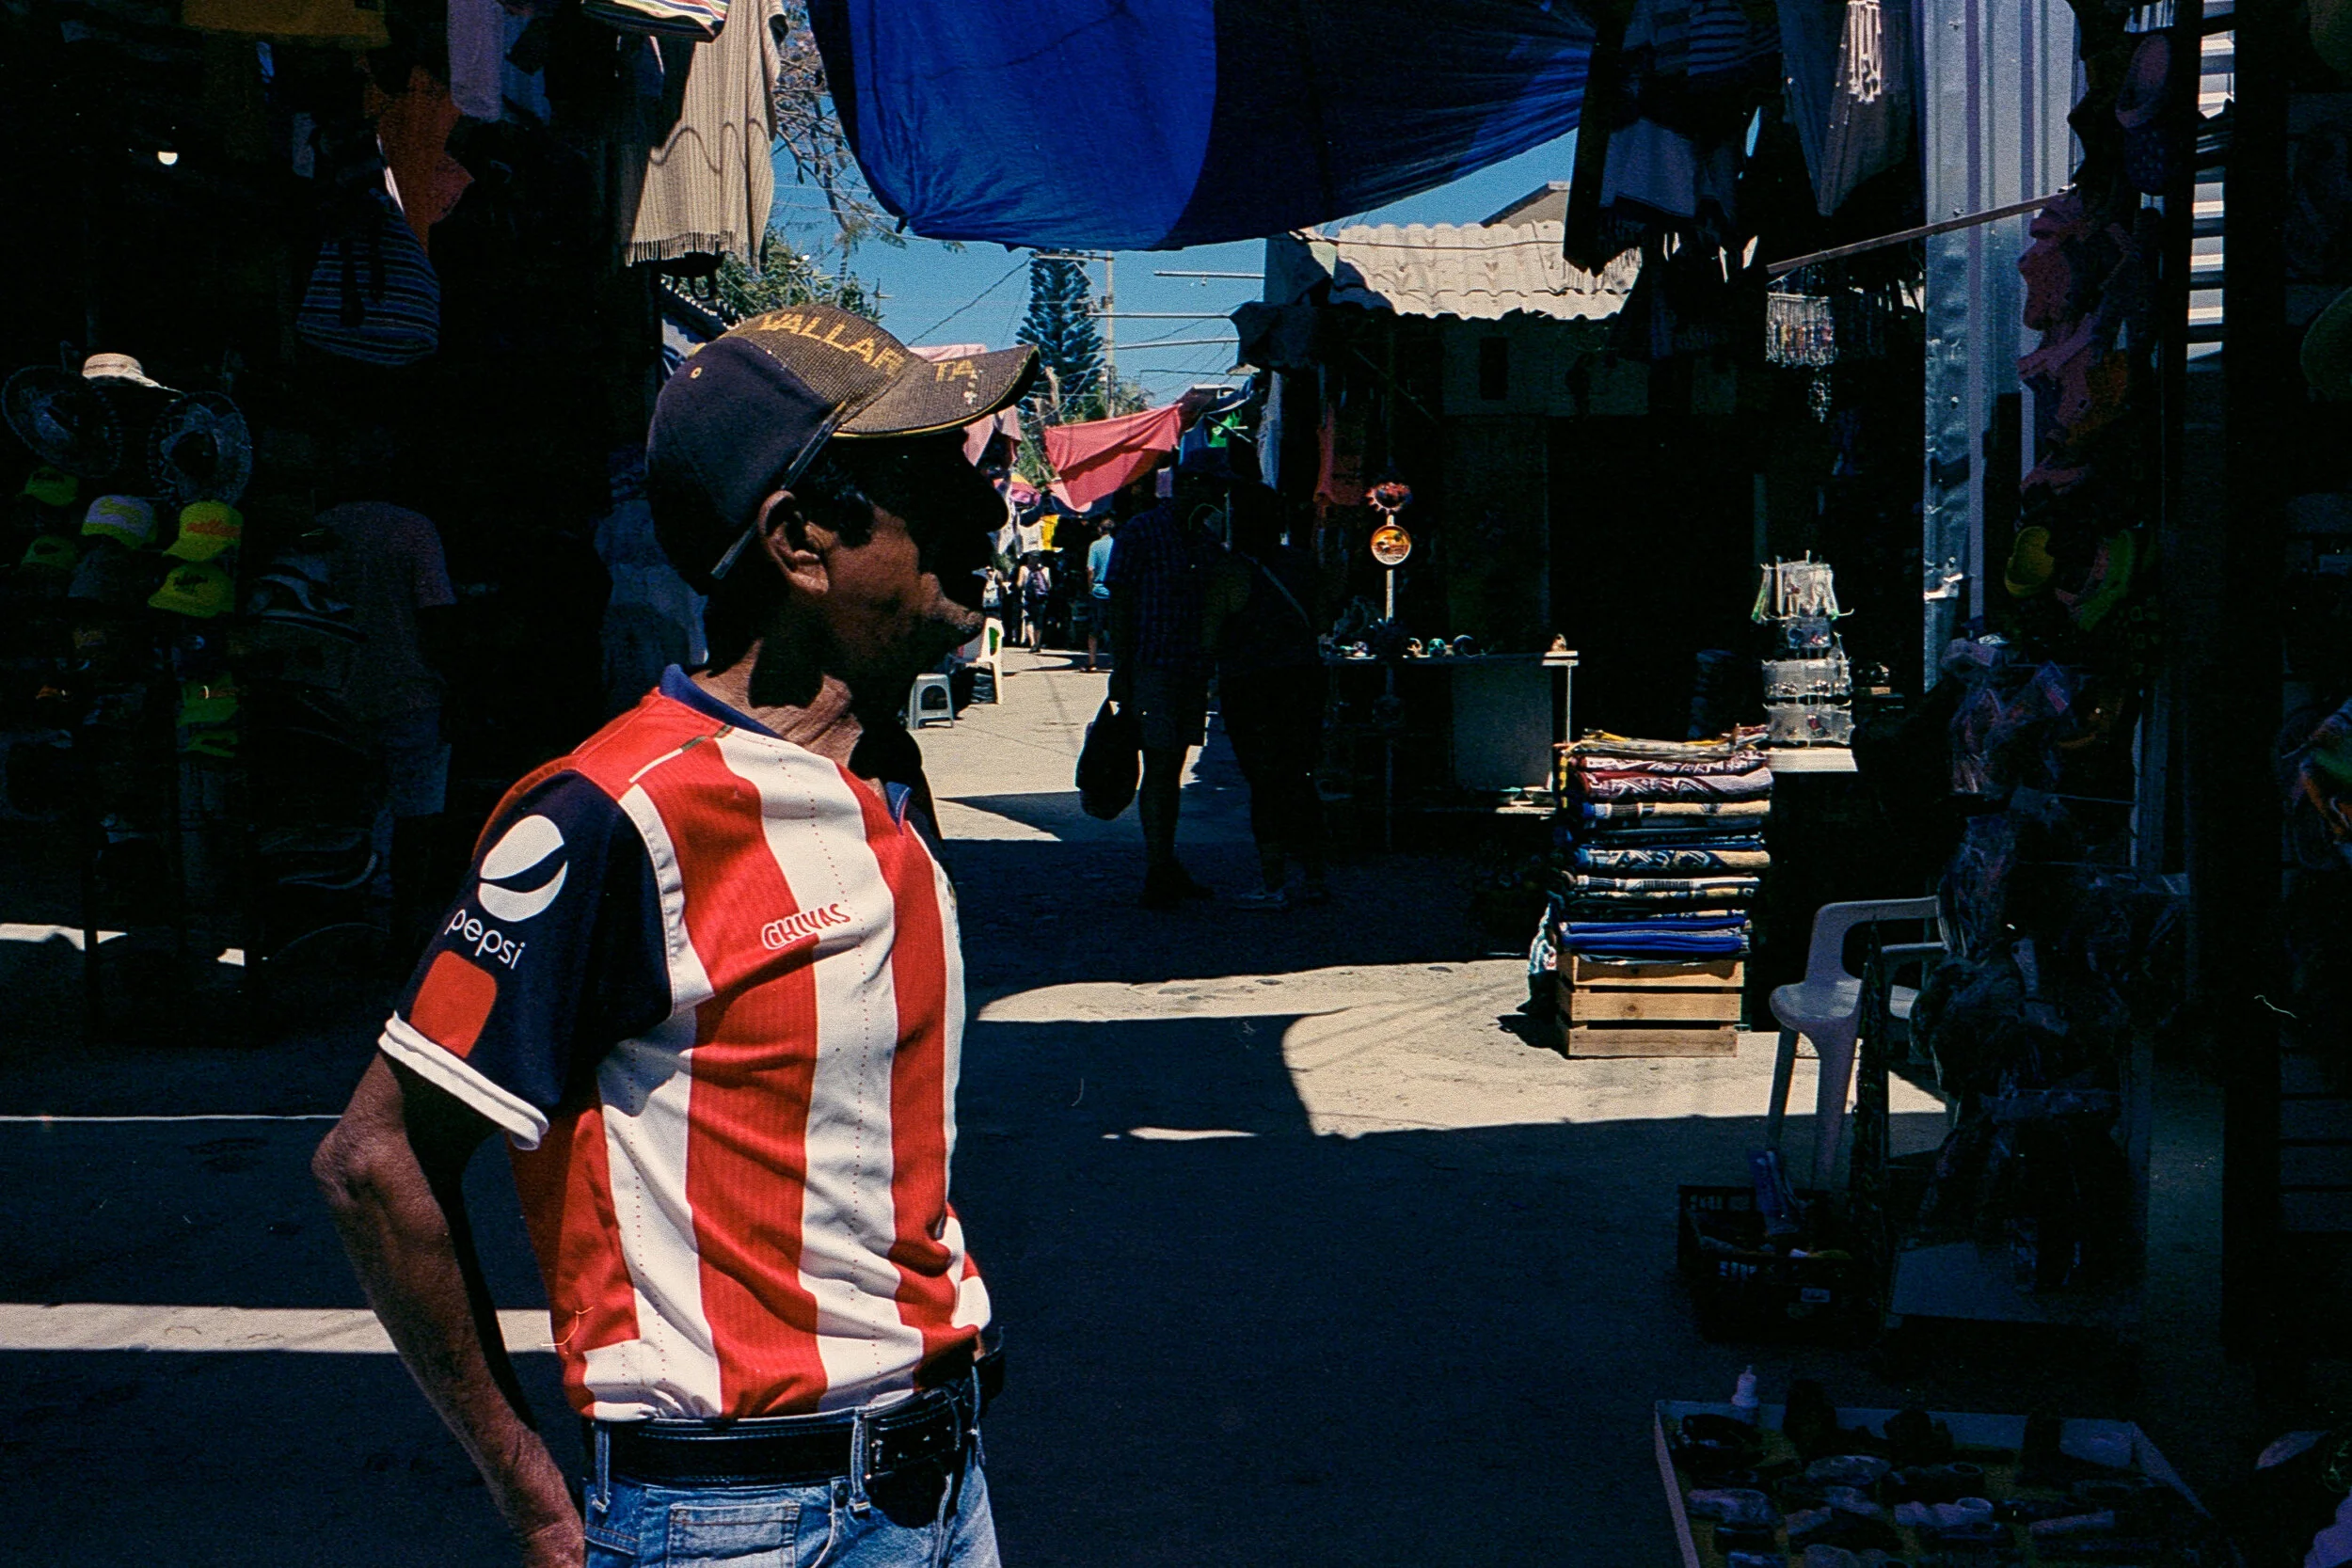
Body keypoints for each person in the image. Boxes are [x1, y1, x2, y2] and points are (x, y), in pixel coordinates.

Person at [314, 305, 1036, 1568]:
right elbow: (376, 1160)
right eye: (926, 482)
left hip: (937, 1483)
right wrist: (540, 1500)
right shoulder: (616, 812)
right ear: (801, 539)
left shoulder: (889, 777)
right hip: (742, 1524)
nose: (983, 514)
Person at [319, 476, 459, 970]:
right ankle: (403, 928)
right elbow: (435, 612)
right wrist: (453, 684)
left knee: (349, 811)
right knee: (414, 814)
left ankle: (348, 920)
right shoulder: (414, 529)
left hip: (333, 692)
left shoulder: (323, 527)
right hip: (409, 687)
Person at [1204, 485, 1328, 909]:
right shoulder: (1304, 564)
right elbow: (1324, 616)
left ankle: (1273, 880)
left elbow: (1210, 634)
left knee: (1264, 784)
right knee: (1300, 778)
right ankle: (1314, 876)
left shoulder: (1230, 570)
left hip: (1251, 686)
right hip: (1304, 681)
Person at [1105, 469, 1217, 908]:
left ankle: (1166, 861)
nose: (1216, 496)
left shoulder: (1205, 539)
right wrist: (1122, 667)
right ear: (1189, 489)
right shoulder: (1143, 531)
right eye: (1211, 487)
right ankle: (1158, 864)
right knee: (1157, 765)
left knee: (1171, 767)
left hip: (1188, 670)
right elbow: (1119, 599)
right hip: (1152, 666)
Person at [1081, 516, 1116, 673]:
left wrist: (1090, 588)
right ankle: (1115, 662)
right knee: (1115, 629)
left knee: (1094, 629)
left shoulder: (1095, 545)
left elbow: (1090, 569)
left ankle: (1092, 662)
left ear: (1099, 530)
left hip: (1098, 591)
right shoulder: (1118, 544)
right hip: (1115, 592)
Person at [1017, 549, 1052, 649]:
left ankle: (1032, 643)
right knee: (1039, 621)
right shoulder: (1046, 570)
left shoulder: (1023, 569)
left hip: (1027, 598)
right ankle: (1037, 643)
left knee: (1029, 619)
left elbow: (1019, 584)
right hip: (1041, 599)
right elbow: (1049, 586)